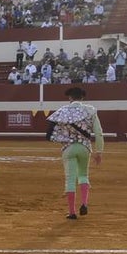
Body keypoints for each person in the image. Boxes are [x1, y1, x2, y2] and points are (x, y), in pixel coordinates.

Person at [45, 86, 104, 219]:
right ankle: (84, 204)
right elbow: (99, 133)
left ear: (70, 98)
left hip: (69, 148)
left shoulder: (62, 111)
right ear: (82, 97)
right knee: (83, 175)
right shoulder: (90, 110)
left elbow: (51, 133)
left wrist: (62, 139)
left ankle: (72, 212)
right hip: (84, 147)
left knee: (70, 179)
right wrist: (99, 151)